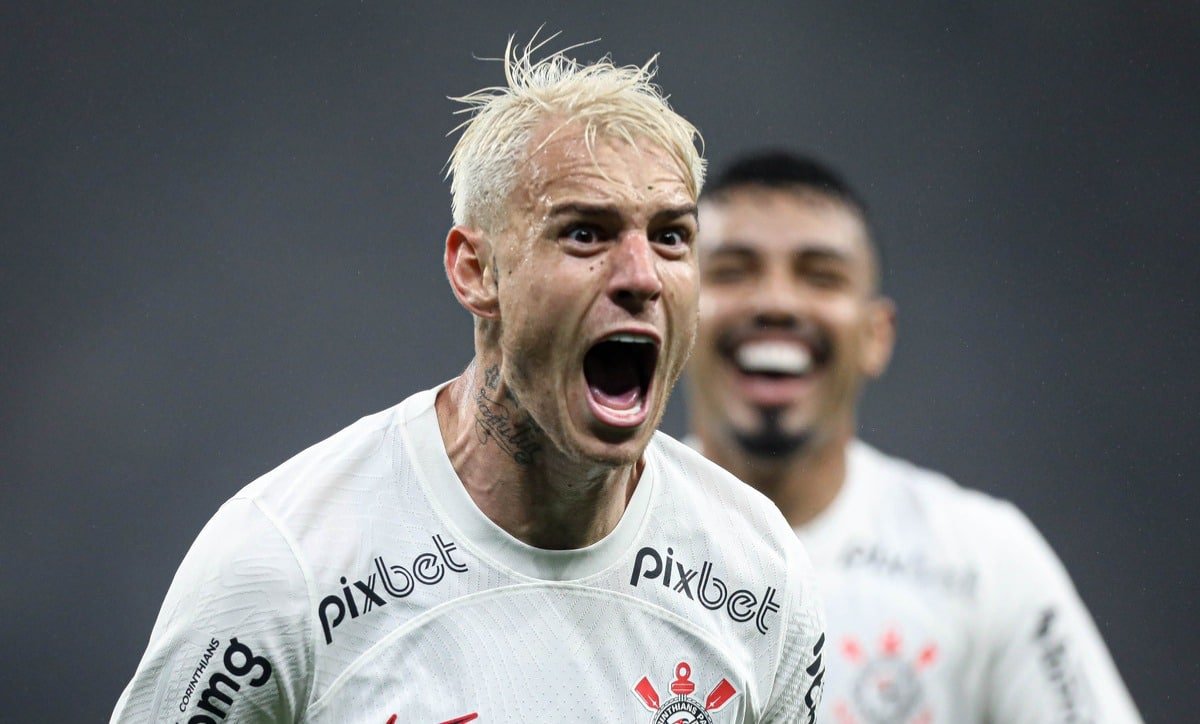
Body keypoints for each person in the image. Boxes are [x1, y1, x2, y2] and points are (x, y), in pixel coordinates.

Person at [111, 42, 826, 723]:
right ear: (475, 271)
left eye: (671, 236)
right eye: (585, 233)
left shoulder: (756, 574)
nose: (641, 276)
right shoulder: (285, 562)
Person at [686, 151, 1141, 723]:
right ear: (676, 316)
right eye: (733, 271)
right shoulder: (605, 541)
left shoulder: (983, 562)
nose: (776, 302)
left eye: (820, 275)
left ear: (877, 336)